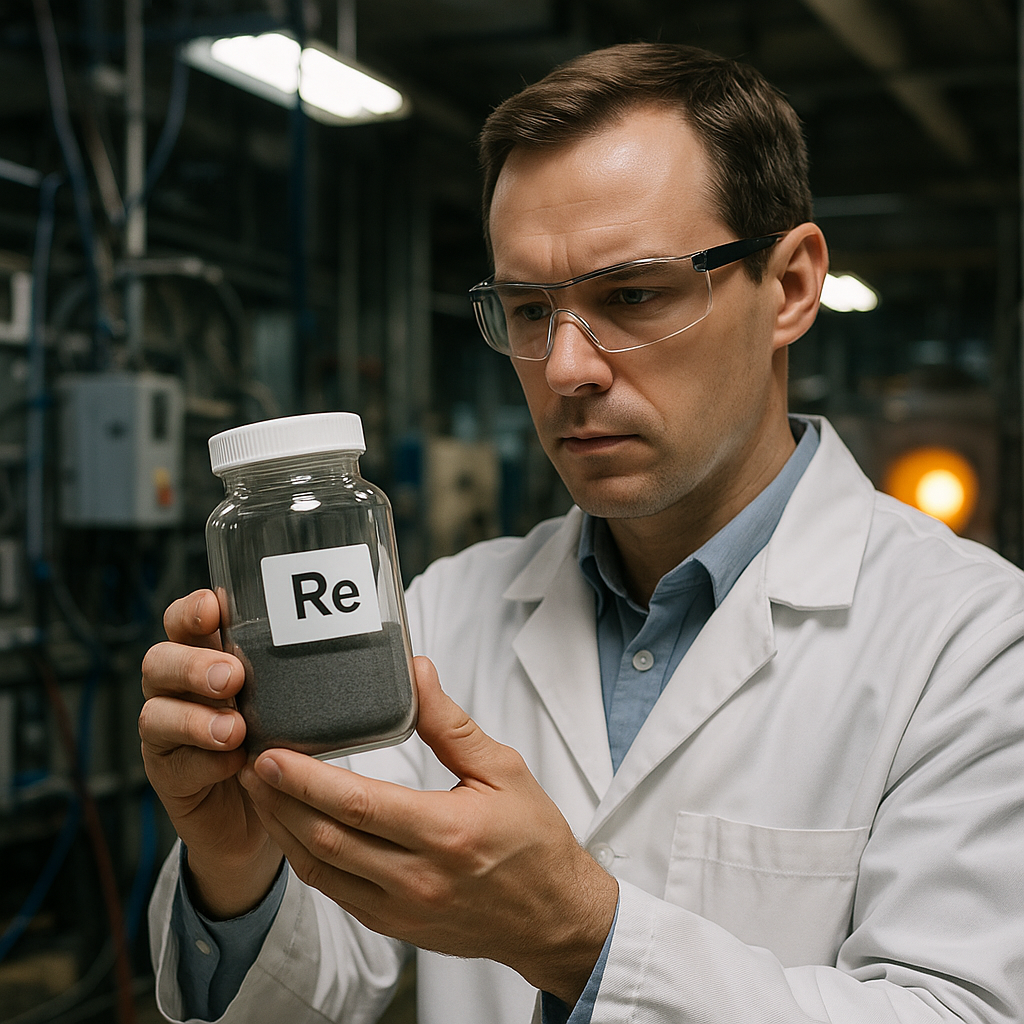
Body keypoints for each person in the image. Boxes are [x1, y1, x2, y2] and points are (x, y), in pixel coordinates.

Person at [141, 42, 1024, 1024]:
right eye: (527, 308)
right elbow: (311, 994)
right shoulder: (439, 612)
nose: (565, 367)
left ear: (789, 287)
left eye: (632, 295)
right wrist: (237, 859)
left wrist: (580, 937)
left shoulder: (975, 642)